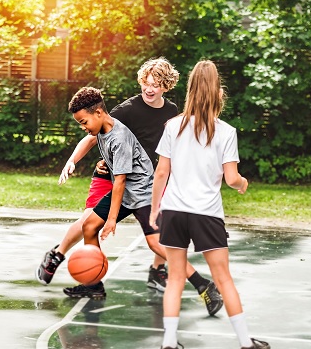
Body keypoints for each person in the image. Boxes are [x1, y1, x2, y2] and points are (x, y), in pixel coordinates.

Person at [36, 58, 222, 316]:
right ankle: (90, 282)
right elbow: (93, 135)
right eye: (145, 82)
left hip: (142, 184)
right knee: (89, 224)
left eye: (155, 84)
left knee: (157, 243)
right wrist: (73, 160)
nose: (149, 88)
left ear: (165, 86)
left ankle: (204, 286)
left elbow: (168, 144)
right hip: (122, 177)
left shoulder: (169, 111)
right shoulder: (124, 111)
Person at [149, 60, 270, 349]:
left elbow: (161, 173)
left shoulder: (173, 126)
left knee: (175, 277)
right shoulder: (226, 132)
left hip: (175, 211)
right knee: (223, 279)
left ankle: (168, 343)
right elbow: (231, 179)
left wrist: (155, 209)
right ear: (219, 93)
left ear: (189, 89)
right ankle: (245, 343)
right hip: (206, 214)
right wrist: (243, 183)